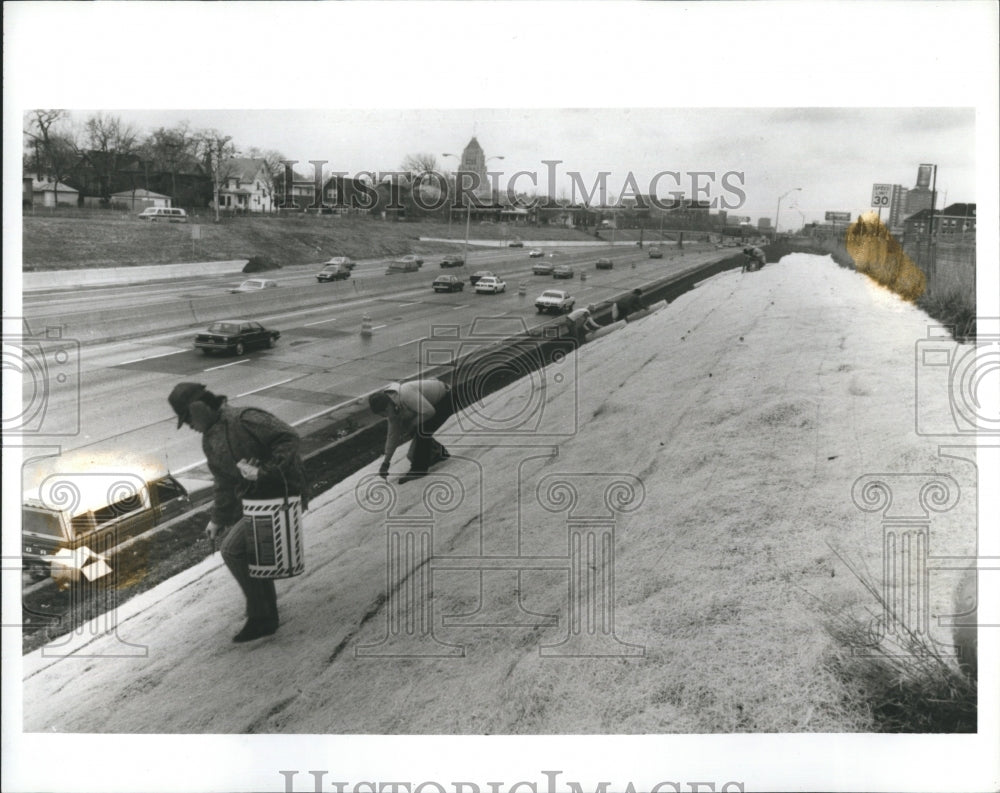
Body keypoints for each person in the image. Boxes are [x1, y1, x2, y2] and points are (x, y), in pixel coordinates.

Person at [169, 382, 310, 643]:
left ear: (198, 407)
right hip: (257, 501)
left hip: (282, 494)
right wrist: (217, 519)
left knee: (232, 550)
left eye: (187, 417)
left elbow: (289, 437)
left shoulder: (244, 418)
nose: (188, 424)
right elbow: (223, 481)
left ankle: (262, 616)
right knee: (249, 552)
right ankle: (266, 613)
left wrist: (265, 470)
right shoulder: (209, 440)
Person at [369, 379, 456, 484]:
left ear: (388, 406)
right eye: (382, 415)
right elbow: (392, 436)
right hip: (433, 404)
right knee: (413, 427)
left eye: (384, 413)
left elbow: (429, 412)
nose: (385, 416)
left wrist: (412, 424)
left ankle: (418, 469)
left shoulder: (405, 393)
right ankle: (437, 453)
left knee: (421, 429)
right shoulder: (393, 407)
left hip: (449, 397)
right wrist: (386, 463)